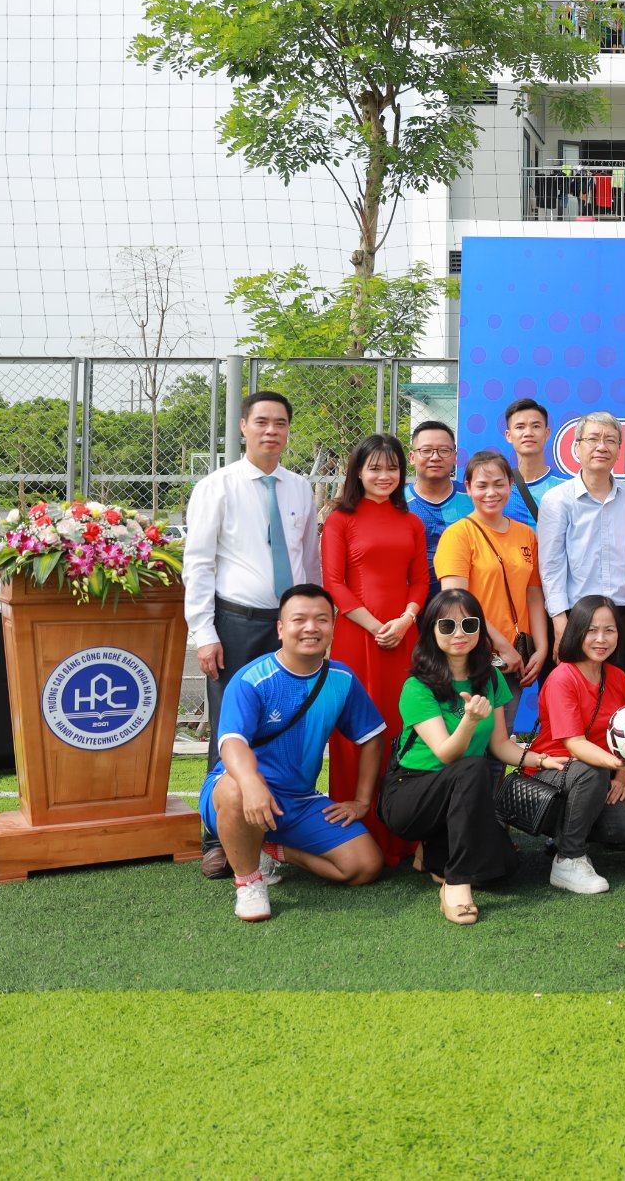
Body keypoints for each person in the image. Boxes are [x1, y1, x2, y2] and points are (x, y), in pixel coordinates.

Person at [183, 391, 321, 877]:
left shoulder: (299, 488)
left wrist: (315, 622)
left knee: (291, 723)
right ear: (243, 427)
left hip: (292, 627)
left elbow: (309, 560)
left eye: (280, 423)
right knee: (231, 728)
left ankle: (279, 831)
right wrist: (204, 632)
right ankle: (218, 840)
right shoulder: (216, 487)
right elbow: (198, 563)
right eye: (261, 422)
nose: (271, 431)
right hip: (236, 624)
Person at [199, 585, 386, 922]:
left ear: (333, 627)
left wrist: (361, 801)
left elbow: (372, 737)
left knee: (365, 865)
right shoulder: (251, 679)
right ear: (281, 628)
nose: (311, 628)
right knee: (236, 790)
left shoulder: (341, 679)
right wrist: (252, 783)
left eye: (321, 620)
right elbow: (232, 743)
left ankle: (271, 850)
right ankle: (249, 882)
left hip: (297, 801)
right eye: (299, 619)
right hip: (236, 792)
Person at [379, 590, 529, 925]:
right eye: (447, 625)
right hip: (410, 792)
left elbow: (500, 745)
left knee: (504, 868)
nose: (459, 633)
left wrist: (542, 760)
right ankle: (456, 883)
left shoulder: (490, 678)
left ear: (480, 630)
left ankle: (433, 852)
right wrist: (469, 720)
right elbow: (447, 754)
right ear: (431, 631)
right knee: (471, 766)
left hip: (458, 793)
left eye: (469, 624)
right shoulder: (417, 686)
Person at [319, 433, 426, 866]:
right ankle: (356, 833)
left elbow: (420, 580)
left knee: (403, 724)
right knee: (356, 729)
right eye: (375, 468)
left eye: (393, 468)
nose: (385, 476)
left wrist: (405, 620)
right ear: (358, 472)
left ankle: (406, 833)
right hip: (357, 638)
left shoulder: (411, 521)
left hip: (404, 637)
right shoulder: (339, 519)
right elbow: (333, 582)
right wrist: (375, 625)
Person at [528, 594, 625, 895]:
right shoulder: (562, 678)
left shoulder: (618, 677)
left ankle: (566, 833)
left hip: (593, 776)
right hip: (552, 772)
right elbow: (575, 744)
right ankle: (568, 858)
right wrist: (616, 764)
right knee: (592, 770)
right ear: (577, 632)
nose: (601, 639)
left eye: (609, 630)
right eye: (591, 630)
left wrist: (622, 776)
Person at [536, 411, 625, 690]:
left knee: (621, 700)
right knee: (573, 698)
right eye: (593, 439)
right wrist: (560, 623)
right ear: (577, 447)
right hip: (577, 618)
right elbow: (550, 567)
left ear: (619, 449)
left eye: (610, 440)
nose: (601, 446)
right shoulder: (557, 500)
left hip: (623, 619)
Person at [434, 451, 550, 690]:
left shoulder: (526, 534)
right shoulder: (458, 535)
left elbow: (534, 594)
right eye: (482, 486)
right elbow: (455, 602)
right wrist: (502, 647)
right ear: (468, 488)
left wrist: (541, 647)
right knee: (476, 714)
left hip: (517, 656)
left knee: (506, 715)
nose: (491, 493)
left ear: (510, 485)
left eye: (499, 484)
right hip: (474, 653)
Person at [403, 420, 472, 605]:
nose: (435, 457)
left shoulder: (473, 498)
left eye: (444, 450)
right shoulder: (396, 503)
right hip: (409, 607)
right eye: (426, 450)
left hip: (466, 606)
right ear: (412, 457)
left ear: (455, 456)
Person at [501, 397, 571, 526]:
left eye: (536, 426)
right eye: (520, 427)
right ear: (509, 436)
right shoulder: (499, 488)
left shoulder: (568, 486)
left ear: (547, 433)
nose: (528, 433)